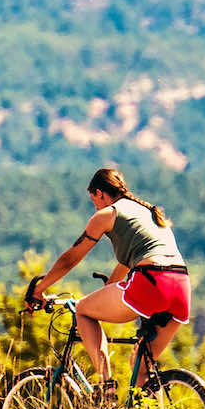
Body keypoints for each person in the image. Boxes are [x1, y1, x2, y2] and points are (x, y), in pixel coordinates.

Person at [25, 167, 191, 393]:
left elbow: (71, 258)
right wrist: (108, 290)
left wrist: (39, 289)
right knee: (141, 369)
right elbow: (125, 265)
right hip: (180, 286)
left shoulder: (107, 214)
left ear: (100, 193)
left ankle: (106, 389)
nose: (95, 206)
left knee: (83, 310)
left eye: (94, 201)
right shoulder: (146, 212)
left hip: (151, 282)